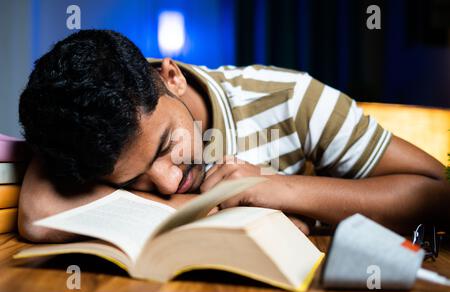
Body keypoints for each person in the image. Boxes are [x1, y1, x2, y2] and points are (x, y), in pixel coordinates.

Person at [18, 30, 450, 243]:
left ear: (171, 76)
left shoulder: (291, 99)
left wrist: (274, 189)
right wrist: (202, 210)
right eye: (131, 182)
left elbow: (439, 194)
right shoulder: (91, 127)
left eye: (168, 145)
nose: (167, 183)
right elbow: (38, 218)